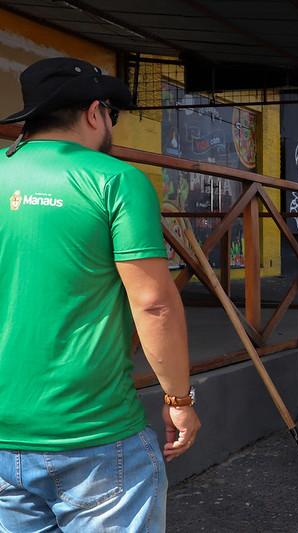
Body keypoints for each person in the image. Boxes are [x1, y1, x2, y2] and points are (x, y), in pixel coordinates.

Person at [0, 58, 200, 532]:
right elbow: (153, 302)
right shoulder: (115, 180)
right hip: (94, 436)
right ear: (94, 112)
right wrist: (178, 400)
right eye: (112, 112)